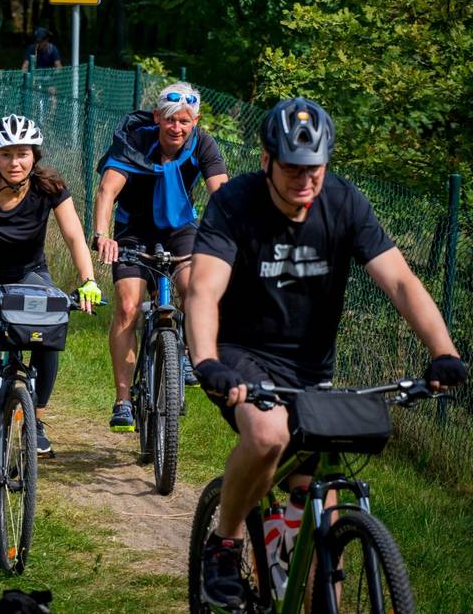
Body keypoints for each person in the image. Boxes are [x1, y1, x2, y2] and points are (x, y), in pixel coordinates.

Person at [185, 97, 468, 609]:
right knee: (270, 435)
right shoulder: (235, 204)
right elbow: (204, 289)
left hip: (310, 367)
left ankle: (292, 557)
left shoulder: (344, 203)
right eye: (293, 168)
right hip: (240, 353)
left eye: (315, 169)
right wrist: (207, 362)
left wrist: (442, 351)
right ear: (267, 160)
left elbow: (401, 282)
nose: (305, 181)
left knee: (319, 511)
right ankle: (224, 542)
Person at [0, 115, 102, 499]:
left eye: (22, 154)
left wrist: (88, 281)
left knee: (51, 328)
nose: (15, 162)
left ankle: (35, 417)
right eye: (6, 154)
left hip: (27, 275)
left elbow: (75, 235)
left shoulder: (50, 186)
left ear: (34, 156)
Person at [92, 83, 228, 431]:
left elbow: (223, 196)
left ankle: (184, 355)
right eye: (170, 120)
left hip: (179, 227)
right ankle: (123, 400)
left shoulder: (204, 145)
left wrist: (228, 237)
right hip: (132, 230)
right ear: (157, 117)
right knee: (127, 306)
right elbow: (108, 189)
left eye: (185, 121)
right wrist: (102, 235)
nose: (177, 128)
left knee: (193, 287)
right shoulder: (135, 141)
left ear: (195, 121)